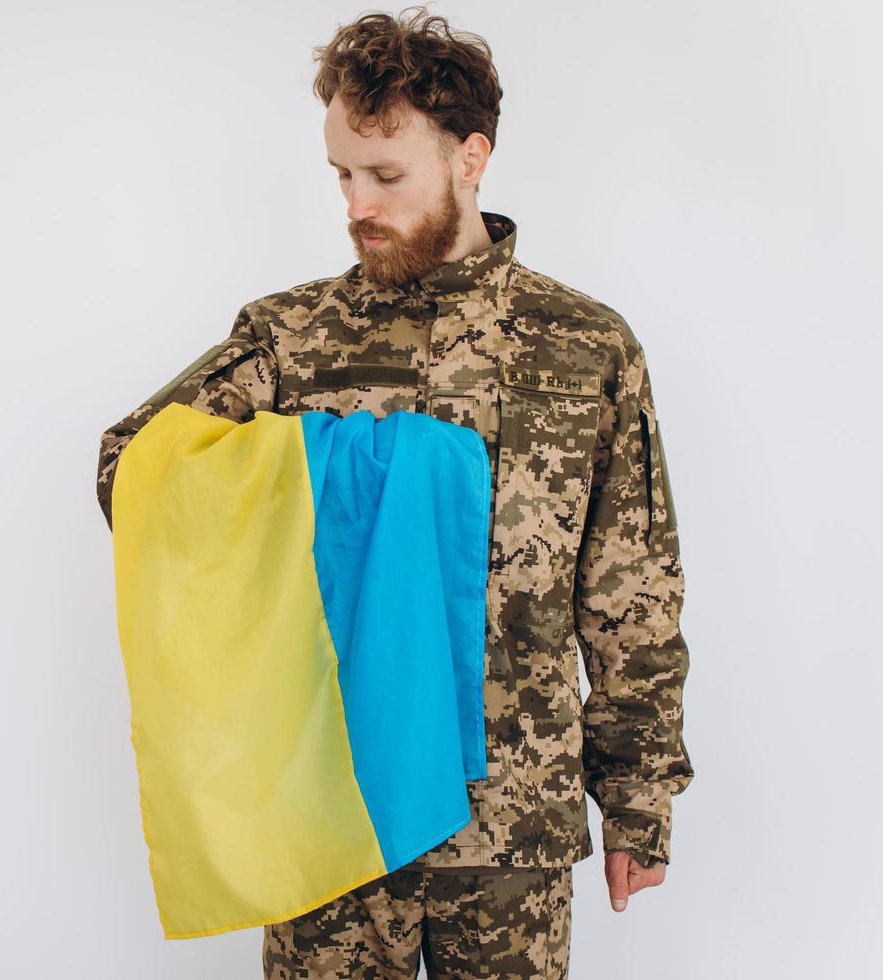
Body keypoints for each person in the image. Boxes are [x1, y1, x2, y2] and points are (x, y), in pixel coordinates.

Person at [94, 8, 693, 978]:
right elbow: (133, 468)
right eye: (341, 174)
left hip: (511, 826)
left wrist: (638, 796)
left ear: (471, 156)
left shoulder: (584, 347)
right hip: (331, 807)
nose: (356, 205)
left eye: (385, 176)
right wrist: (347, 463)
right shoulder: (289, 337)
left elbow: (630, 587)